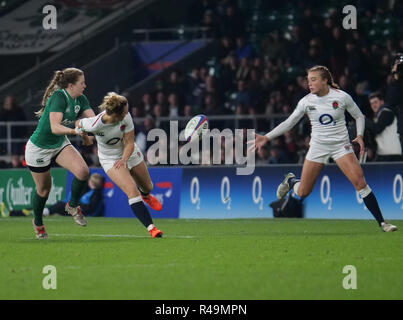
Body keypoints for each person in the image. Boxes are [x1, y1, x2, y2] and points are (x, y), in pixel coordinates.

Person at [249, 65, 397, 232]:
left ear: (325, 80)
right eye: (308, 80)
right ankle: (291, 181)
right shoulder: (306, 101)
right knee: (303, 192)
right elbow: (289, 123)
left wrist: (360, 135)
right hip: (318, 147)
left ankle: (382, 223)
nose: (309, 84)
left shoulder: (341, 97)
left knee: (360, 183)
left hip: (341, 146)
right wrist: (266, 137)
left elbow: (359, 116)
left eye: (313, 80)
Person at [76, 92, 163, 238]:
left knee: (148, 186)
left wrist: (124, 159)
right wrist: (84, 136)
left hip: (129, 152)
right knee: (131, 191)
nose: (127, 113)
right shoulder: (95, 124)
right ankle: (152, 228)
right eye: (125, 111)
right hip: (109, 159)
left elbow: (129, 143)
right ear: (116, 115)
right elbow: (78, 124)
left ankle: (146, 195)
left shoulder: (126, 117)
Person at [25, 68, 96, 239]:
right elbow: (55, 127)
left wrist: (108, 123)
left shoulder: (81, 98)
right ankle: (38, 222)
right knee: (43, 190)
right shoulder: (58, 97)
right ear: (71, 85)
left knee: (83, 172)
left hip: (59, 143)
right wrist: (77, 131)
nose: (85, 85)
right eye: (82, 83)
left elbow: (93, 121)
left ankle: (72, 206)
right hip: (39, 148)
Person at [366, 91, 402, 161]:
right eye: (371, 104)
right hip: (384, 153)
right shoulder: (378, 115)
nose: (373, 105)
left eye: (375, 102)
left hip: (391, 154)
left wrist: (364, 120)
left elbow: (377, 129)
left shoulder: (386, 112)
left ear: (382, 102)